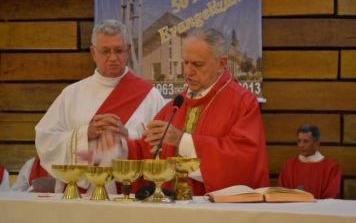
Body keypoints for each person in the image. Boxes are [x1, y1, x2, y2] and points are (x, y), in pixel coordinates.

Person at [127, 28, 270, 195]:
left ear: (222, 63)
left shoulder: (242, 103)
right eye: (185, 62)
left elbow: (243, 162)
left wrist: (182, 141)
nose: (187, 72)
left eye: (197, 64)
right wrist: (120, 145)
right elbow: (148, 151)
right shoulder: (177, 104)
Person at [35, 19, 165, 193]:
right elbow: (46, 140)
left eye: (118, 51)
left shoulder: (151, 96)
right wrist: (85, 134)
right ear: (93, 52)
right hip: (78, 196)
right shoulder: (72, 94)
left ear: (128, 50)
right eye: (105, 51)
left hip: (127, 195)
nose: (112, 58)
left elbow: (162, 148)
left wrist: (128, 136)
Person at [278, 124, 342, 199]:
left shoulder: (331, 168)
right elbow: (281, 194)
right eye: (299, 141)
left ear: (316, 143)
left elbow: (331, 198)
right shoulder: (288, 166)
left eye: (306, 141)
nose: (301, 145)